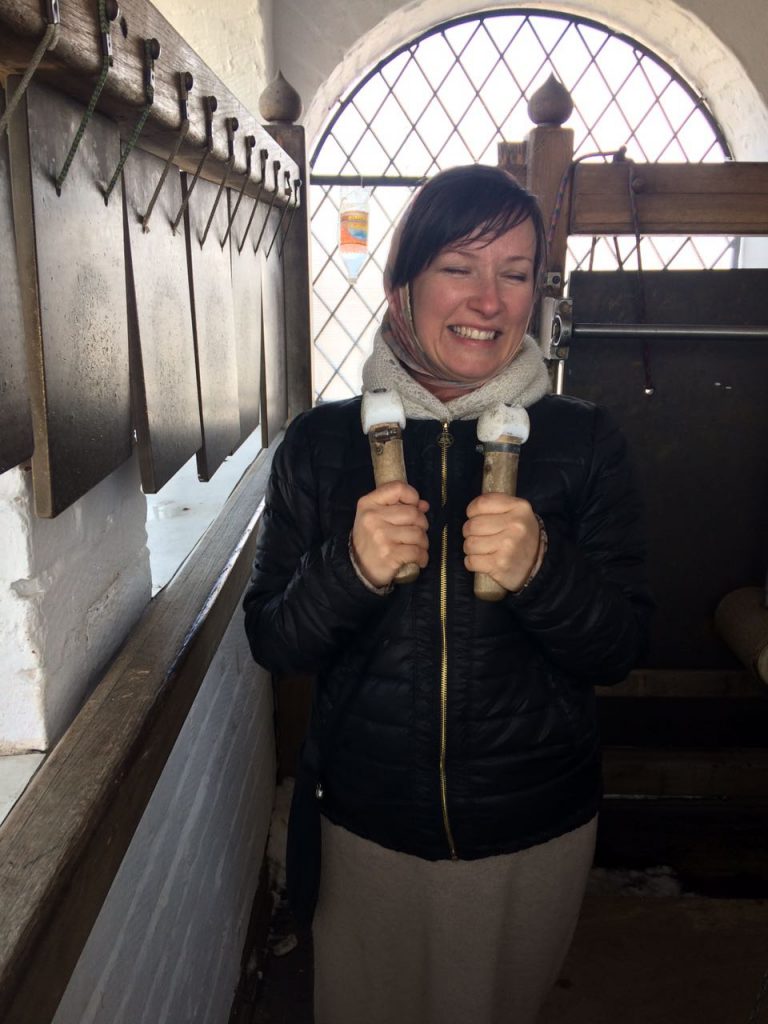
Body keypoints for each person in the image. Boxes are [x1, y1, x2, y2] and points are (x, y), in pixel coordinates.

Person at [244, 164, 652, 1024]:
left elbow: (619, 647)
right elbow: (275, 641)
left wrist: (543, 572)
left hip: (530, 824)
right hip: (368, 823)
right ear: (402, 284)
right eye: (458, 267)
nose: (489, 300)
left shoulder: (583, 442)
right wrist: (348, 570)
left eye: (515, 273)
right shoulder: (320, 445)